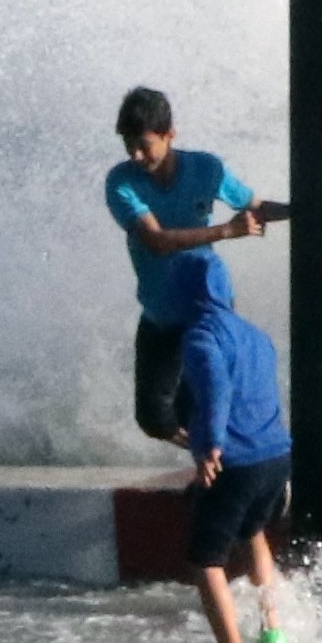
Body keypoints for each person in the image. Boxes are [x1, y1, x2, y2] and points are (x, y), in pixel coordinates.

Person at [103, 86, 274, 446]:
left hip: (206, 311)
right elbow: (157, 241)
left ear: (170, 135)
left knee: (209, 406)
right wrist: (226, 231)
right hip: (160, 314)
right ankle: (213, 455)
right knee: (154, 418)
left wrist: (312, 208)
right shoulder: (121, 182)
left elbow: (256, 206)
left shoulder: (206, 169)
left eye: (144, 145)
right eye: (129, 145)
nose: (136, 155)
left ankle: (232, 466)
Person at [160, 249, 293, 643]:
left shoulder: (200, 337)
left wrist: (210, 444)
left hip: (235, 462)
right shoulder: (257, 335)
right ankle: (273, 630)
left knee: (205, 561)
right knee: (252, 531)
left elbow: (215, 389)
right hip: (275, 455)